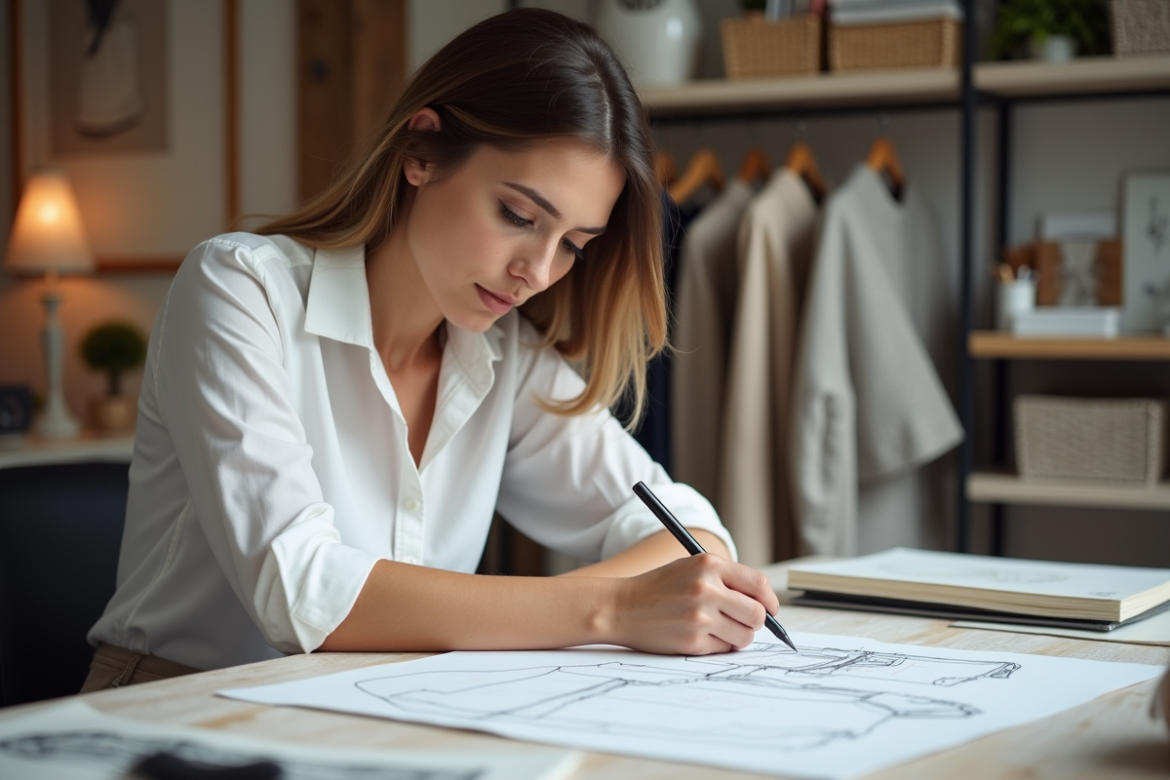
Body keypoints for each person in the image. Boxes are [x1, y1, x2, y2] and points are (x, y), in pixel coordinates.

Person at [82, 8, 779, 691]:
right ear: (421, 153)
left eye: (572, 245)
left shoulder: (506, 355)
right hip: (172, 705)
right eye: (518, 215)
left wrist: (573, 610)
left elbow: (696, 533)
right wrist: (611, 608)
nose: (537, 272)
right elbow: (299, 590)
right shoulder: (239, 290)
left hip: (378, 712)